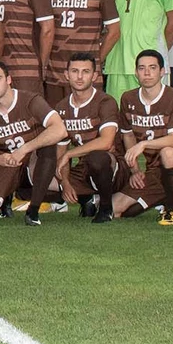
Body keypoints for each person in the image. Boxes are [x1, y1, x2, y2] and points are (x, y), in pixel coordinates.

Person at [0, 60, 67, 226]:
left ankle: (33, 211)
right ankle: (6, 196)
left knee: (47, 145)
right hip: (8, 166)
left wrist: (24, 149)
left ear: (8, 80)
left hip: (35, 165)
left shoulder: (30, 101)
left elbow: (60, 130)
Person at [113, 50, 173, 226]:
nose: (147, 73)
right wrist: (135, 171)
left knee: (168, 153)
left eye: (152, 68)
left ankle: (171, 210)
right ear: (136, 73)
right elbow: (127, 134)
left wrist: (143, 144)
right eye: (142, 68)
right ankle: (164, 196)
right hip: (155, 171)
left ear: (162, 71)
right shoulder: (128, 98)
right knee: (117, 210)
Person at [45, 0, 120, 106]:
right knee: (57, 124)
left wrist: (95, 60)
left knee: (90, 124)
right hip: (56, 71)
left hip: (87, 74)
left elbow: (114, 31)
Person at [51, 53, 122, 223]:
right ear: (67, 75)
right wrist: (66, 182)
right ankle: (86, 199)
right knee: (40, 177)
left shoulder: (106, 102)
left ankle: (106, 208)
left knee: (97, 158)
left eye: (86, 71)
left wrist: (70, 154)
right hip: (83, 169)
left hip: (114, 168)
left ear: (95, 76)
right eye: (75, 71)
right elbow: (61, 152)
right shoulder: (61, 107)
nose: (80, 76)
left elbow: (106, 142)